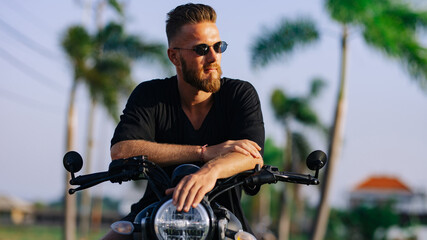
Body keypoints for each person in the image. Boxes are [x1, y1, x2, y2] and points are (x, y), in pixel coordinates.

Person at [102, 3, 264, 239]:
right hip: (153, 215)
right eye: (201, 49)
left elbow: (251, 154)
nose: (213, 57)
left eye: (218, 47)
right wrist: (204, 152)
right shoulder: (150, 95)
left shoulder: (240, 94)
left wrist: (209, 172)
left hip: (225, 221)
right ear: (174, 56)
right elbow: (122, 151)